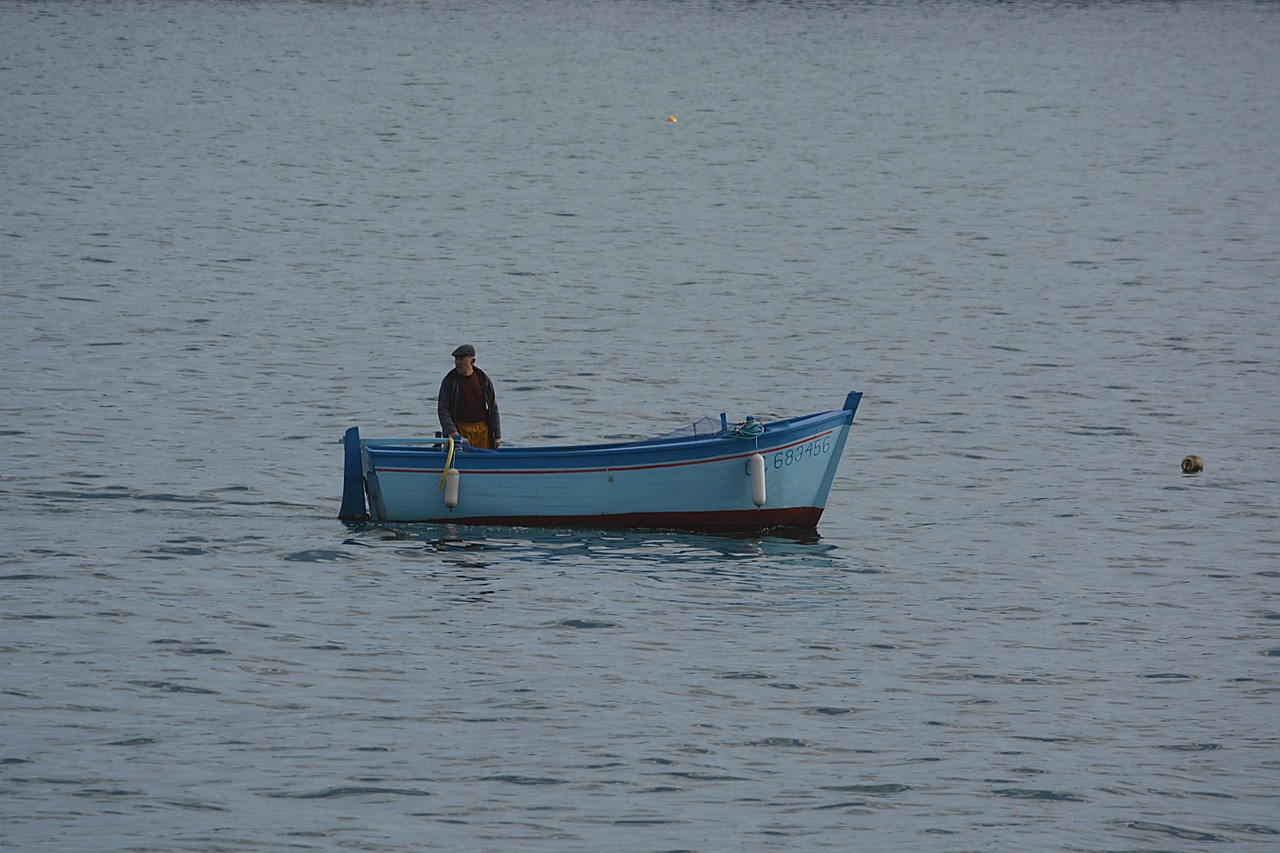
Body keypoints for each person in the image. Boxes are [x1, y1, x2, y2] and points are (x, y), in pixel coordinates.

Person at [437, 344, 501, 449]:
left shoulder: (483, 379)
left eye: (462, 359)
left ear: (472, 361)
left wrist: (497, 435)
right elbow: (443, 409)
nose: (457, 362)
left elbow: (493, 408)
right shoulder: (450, 381)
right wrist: (451, 431)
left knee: (484, 458)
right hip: (459, 430)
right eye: (456, 359)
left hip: (482, 431)